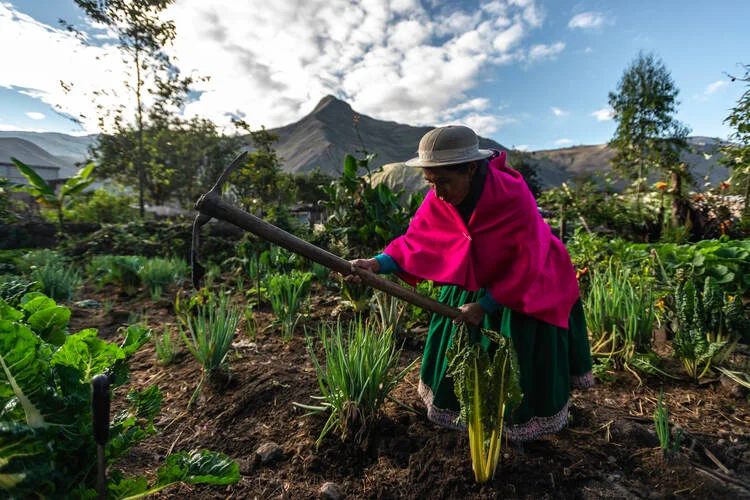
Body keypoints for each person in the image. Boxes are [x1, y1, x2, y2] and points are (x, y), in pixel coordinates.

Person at [347, 125, 593, 441]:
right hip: (473, 275)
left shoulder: (512, 196)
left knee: (515, 356)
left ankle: (517, 431)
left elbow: (528, 260)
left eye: (445, 182)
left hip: (531, 279)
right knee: (458, 350)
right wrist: (376, 264)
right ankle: (468, 420)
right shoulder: (440, 196)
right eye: (430, 183)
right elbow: (418, 240)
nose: (437, 193)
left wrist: (486, 305)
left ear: (472, 169)